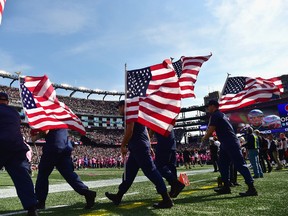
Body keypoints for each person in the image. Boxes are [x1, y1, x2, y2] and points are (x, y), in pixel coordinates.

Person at [105, 100, 173, 208]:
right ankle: (119, 196)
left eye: (119, 107)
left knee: (151, 171)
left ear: (123, 106)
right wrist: (149, 146)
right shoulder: (137, 113)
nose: (118, 110)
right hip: (138, 147)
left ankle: (166, 199)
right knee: (128, 174)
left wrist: (122, 145)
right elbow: (145, 131)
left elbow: (130, 131)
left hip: (139, 147)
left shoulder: (130, 113)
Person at [201, 100, 257, 196]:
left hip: (230, 142)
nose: (207, 109)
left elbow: (211, 129)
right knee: (222, 165)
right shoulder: (221, 114)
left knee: (240, 165)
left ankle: (252, 188)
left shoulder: (215, 115)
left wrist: (204, 138)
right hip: (226, 143)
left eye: (208, 106)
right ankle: (226, 186)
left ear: (213, 106)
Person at [32, 128, 96, 210]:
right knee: (69, 174)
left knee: (43, 175)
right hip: (65, 147)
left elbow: (45, 131)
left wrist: (36, 137)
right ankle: (86, 192)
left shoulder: (50, 116)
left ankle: (40, 201)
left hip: (53, 147)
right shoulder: (61, 118)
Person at [0, 92, 38, 216]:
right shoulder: (14, 113)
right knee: (22, 178)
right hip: (16, 147)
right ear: (7, 101)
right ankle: (32, 208)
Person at [149, 129, 185, 198]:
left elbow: (150, 133)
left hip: (163, 143)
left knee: (159, 166)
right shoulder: (167, 118)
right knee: (171, 167)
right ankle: (174, 190)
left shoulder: (157, 118)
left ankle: (175, 184)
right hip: (172, 142)